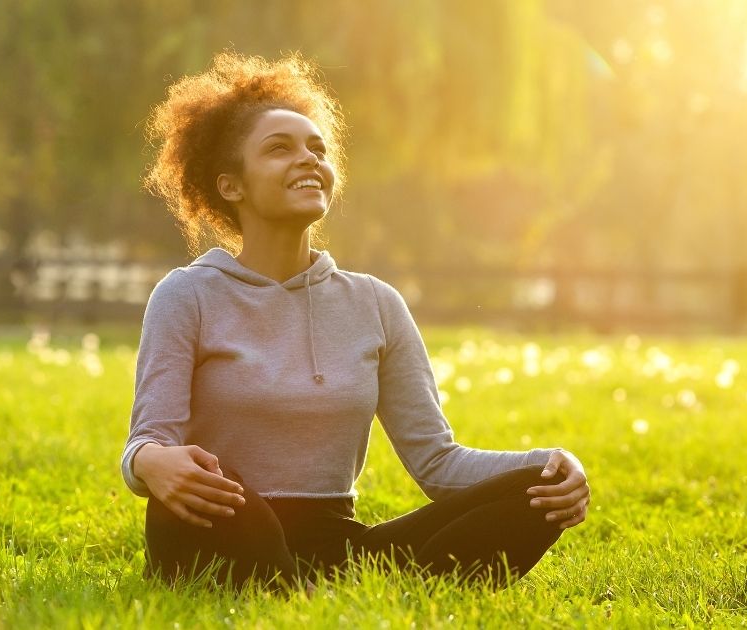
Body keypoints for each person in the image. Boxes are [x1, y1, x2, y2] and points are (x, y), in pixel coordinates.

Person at [122, 50, 591, 592]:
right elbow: (149, 441)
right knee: (231, 500)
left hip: (336, 544)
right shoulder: (187, 294)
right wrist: (150, 464)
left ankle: (302, 589)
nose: (308, 159)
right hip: (220, 522)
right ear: (232, 186)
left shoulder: (375, 303)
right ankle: (298, 589)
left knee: (538, 490)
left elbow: (438, 462)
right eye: (280, 149)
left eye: (317, 149)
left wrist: (556, 463)